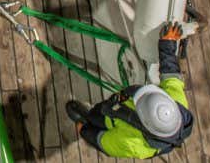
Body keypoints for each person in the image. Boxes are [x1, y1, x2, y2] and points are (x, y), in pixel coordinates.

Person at [66, 22, 195, 158]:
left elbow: (103, 142)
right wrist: (168, 43)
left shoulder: (134, 145)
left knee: (96, 117)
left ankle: (86, 118)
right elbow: (171, 74)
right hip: (118, 105)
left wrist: (85, 131)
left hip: (110, 120)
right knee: (102, 109)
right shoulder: (177, 104)